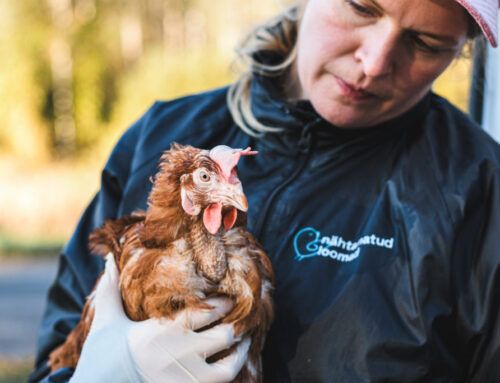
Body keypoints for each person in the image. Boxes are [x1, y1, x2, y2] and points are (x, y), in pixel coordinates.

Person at [30, 0, 500, 381]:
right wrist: (102, 375)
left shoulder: (479, 189)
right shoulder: (158, 135)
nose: (374, 63)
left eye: (425, 42)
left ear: (462, 51)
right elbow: (55, 354)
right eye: (361, 7)